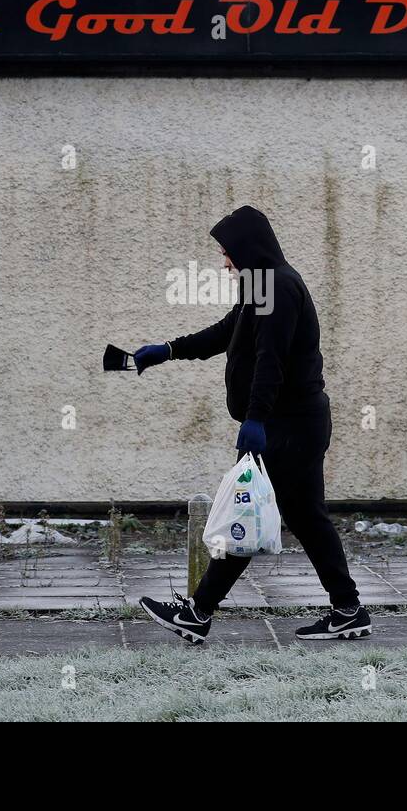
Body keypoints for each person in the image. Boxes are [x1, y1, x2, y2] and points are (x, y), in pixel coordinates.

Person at [133, 205, 371, 643]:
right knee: (306, 519)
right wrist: (166, 350)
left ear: (249, 248)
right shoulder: (261, 285)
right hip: (292, 423)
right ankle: (348, 609)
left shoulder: (279, 287)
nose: (224, 262)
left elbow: (270, 361)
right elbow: (227, 333)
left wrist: (257, 419)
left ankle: (198, 611)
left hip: (289, 426)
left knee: (246, 511)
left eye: (228, 253)